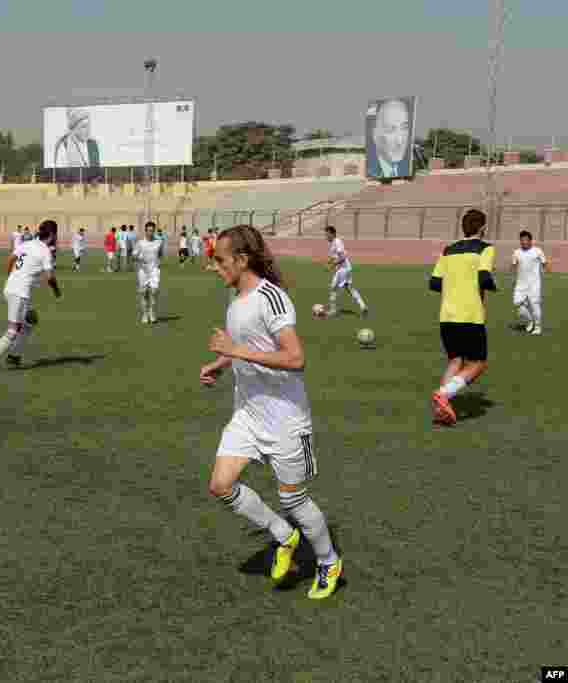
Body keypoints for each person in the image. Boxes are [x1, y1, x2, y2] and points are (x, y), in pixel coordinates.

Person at [202, 225, 342, 600]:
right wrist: (222, 362)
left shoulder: (272, 298)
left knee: (293, 499)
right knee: (221, 484)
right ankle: (285, 535)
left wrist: (235, 351)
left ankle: (329, 561)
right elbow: (248, 347)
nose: (214, 266)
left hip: (285, 418)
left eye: (219, 260)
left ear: (242, 260)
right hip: (248, 413)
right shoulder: (236, 302)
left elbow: (295, 358)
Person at [429, 209, 496, 426]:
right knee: (478, 364)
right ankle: (444, 394)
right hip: (470, 315)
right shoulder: (486, 249)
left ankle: (441, 410)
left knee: (456, 360)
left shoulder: (448, 250)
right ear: (483, 228)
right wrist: (492, 287)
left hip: (447, 315)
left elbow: (435, 283)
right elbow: (484, 277)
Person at [0, 220, 62, 373]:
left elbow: (10, 259)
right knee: (14, 329)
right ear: (52, 235)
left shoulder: (27, 243)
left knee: (31, 320)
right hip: (19, 292)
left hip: (12, 288)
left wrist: (10, 278)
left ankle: (14, 355)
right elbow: (50, 277)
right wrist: (56, 291)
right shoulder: (45, 251)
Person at [324, 226, 368, 318]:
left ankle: (333, 310)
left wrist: (332, 265)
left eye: (327, 234)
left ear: (332, 234)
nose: (326, 236)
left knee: (333, 288)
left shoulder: (337, 242)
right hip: (346, 269)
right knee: (350, 289)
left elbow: (342, 257)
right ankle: (363, 306)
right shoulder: (333, 243)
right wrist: (329, 261)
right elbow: (334, 256)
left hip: (342, 270)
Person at [511, 230, 548, 335]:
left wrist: (545, 271)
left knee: (534, 304)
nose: (523, 242)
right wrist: (512, 277)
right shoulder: (516, 252)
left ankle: (537, 326)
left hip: (534, 284)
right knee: (517, 303)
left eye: (526, 240)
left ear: (530, 241)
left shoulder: (538, 251)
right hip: (520, 284)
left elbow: (544, 263)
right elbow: (514, 265)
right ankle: (530, 321)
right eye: (521, 240)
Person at [369, 98, 411, 179]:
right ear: (375, 135)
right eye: (390, 129)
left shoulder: (406, 167)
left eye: (404, 128)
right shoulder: (371, 169)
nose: (400, 141)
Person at [134, 222, 164, 324]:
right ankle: (144, 314)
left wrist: (158, 262)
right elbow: (134, 256)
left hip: (154, 270)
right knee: (143, 293)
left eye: (152, 231)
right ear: (145, 231)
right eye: (149, 231)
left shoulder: (159, 242)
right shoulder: (140, 243)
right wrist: (139, 257)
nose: (150, 233)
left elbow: (160, 254)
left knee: (154, 291)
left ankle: (151, 312)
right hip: (143, 270)